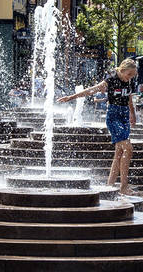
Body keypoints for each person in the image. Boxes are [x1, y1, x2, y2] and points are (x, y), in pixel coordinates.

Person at [58, 58, 138, 196]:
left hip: (124, 116)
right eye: (129, 74)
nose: (130, 78)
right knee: (128, 148)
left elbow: (129, 99)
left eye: (132, 75)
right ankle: (124, 187)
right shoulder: (111, 80)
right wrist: (71, 97)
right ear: (123, 70)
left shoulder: (128, 81)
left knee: (119, 153)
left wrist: (133, 114)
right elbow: (91, 90)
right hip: (113, 116)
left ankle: (110, 185)